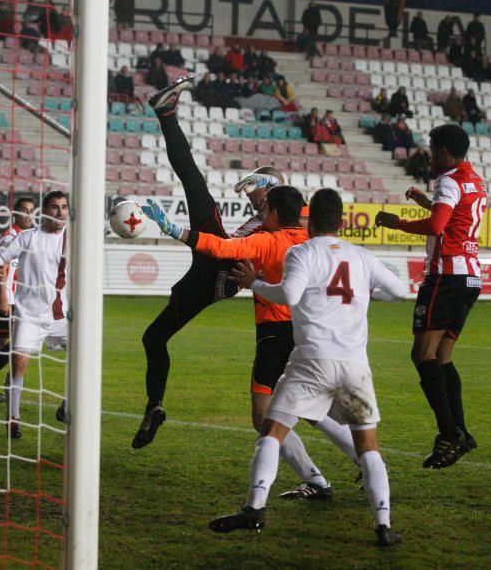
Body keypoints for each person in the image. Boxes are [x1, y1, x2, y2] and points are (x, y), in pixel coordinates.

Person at [209, 188, 409, 547]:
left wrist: (253, 282)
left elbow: (288, 295)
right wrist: (368, 295)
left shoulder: (302, 251)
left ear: (310, 220)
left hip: (311, 361)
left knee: (273, 429)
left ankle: (255, 508)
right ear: (342, 222)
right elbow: (400, 291)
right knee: (368, 446)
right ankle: (383, 524)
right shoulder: (360, 256)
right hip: (353, 366)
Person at [143, 186, 361, 500]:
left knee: (264, 415)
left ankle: (313, 481)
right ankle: (357, 463)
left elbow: (219, 248)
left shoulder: (267, 240)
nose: (260, 215)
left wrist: (173, 229)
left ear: (273, 213)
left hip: (275, 335)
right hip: (311, 334)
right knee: (311, 408)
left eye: (264, 210)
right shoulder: (314, 242)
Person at [132, 75, 284, 449]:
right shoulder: (273, 218)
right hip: (215, 277)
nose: (251, 197)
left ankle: (166, 112)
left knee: (195, 187)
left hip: (223, 267)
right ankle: (154, 406)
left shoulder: (285, 215)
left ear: (273, 189)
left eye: (255, 189)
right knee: (153, 337)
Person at [373, 124, 486, 468]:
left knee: (423, 354)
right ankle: (461, 433)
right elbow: (453, 219)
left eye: (435, 150)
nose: (431, 156)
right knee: (443, 356)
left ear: (446, 153)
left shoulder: (449, 180)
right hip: (470, 277)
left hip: (446, 276)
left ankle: (448, 432)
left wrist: (396, 223)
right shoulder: (475, 180)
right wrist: (428, 202)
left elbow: (438, 227)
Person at [0, 190, 69, 440]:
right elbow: (0, 255)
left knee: (85, 358)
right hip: (29, 315)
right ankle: (13, 418)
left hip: (61, 316)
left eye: (64, 207)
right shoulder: (28, 238)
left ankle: (67, 405)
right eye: (55, 207)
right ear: (44, 211)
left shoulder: (73, 240)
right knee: (19, 364)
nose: (60, 212)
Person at [0, 196, 36, 403]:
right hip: (3, 297)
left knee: (3, 342)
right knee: (12, 344)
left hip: (15, 298)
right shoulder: (10, 237)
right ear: (15, 213)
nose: (28, 215)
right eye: (24, 210)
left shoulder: (28, 235)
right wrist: (4, 298)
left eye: (31, 211)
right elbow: (2, 269)